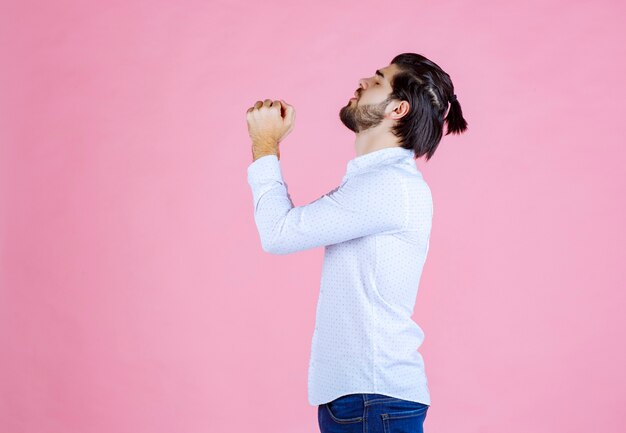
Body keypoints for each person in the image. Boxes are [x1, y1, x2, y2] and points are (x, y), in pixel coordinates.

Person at [245, 52, 468, 433]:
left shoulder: (387, 185)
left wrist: (264, 143)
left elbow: (278, 234)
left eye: (378, 80)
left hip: (371, 398)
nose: (364, 81)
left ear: (398, 108)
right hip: (367, 397)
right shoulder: (382, 181)